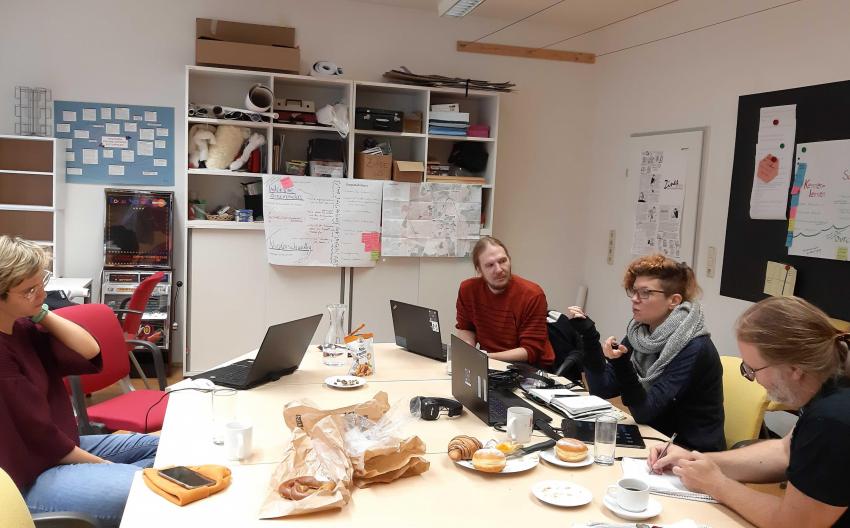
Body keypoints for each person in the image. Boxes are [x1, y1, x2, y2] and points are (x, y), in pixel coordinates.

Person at [649, 296, 850, 528]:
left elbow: (794, 524)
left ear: (795, 368)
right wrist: (696, 461)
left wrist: (716, 484)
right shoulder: (830, 375)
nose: (753, 379)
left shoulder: (832, 419)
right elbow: (786, 451)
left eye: (753, 369)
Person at [0, 236, 159, 528]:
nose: (41, 293)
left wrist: (42, 312)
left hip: (61, 448)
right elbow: (42, 442)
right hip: (28, 476)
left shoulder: (21, 326)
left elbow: (90, 350)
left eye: (41, 283)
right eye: (29, 290)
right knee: (152, 492)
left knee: (162, 448)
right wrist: (108, 468)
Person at [579, 253, 725, 452]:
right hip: (653, 438)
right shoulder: (640, 333)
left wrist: (622, 365)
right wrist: (588, 337)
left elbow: (645, 411)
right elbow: (602, 389)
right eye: (634, 291)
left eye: (645, 293)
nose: (634, 300)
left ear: (673, 300)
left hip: (689, 452)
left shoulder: (694, 347)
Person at [455, 236, 555, 369]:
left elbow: (530, 351)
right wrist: (468, 354)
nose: (499, 269)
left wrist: (484, 357)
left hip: (530, 368)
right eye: (490, 265)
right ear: (479, 269)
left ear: (509, 260)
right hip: (490, 363)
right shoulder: (468, 289)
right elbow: (466, 328)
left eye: (502, 261)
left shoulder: (532, 294)